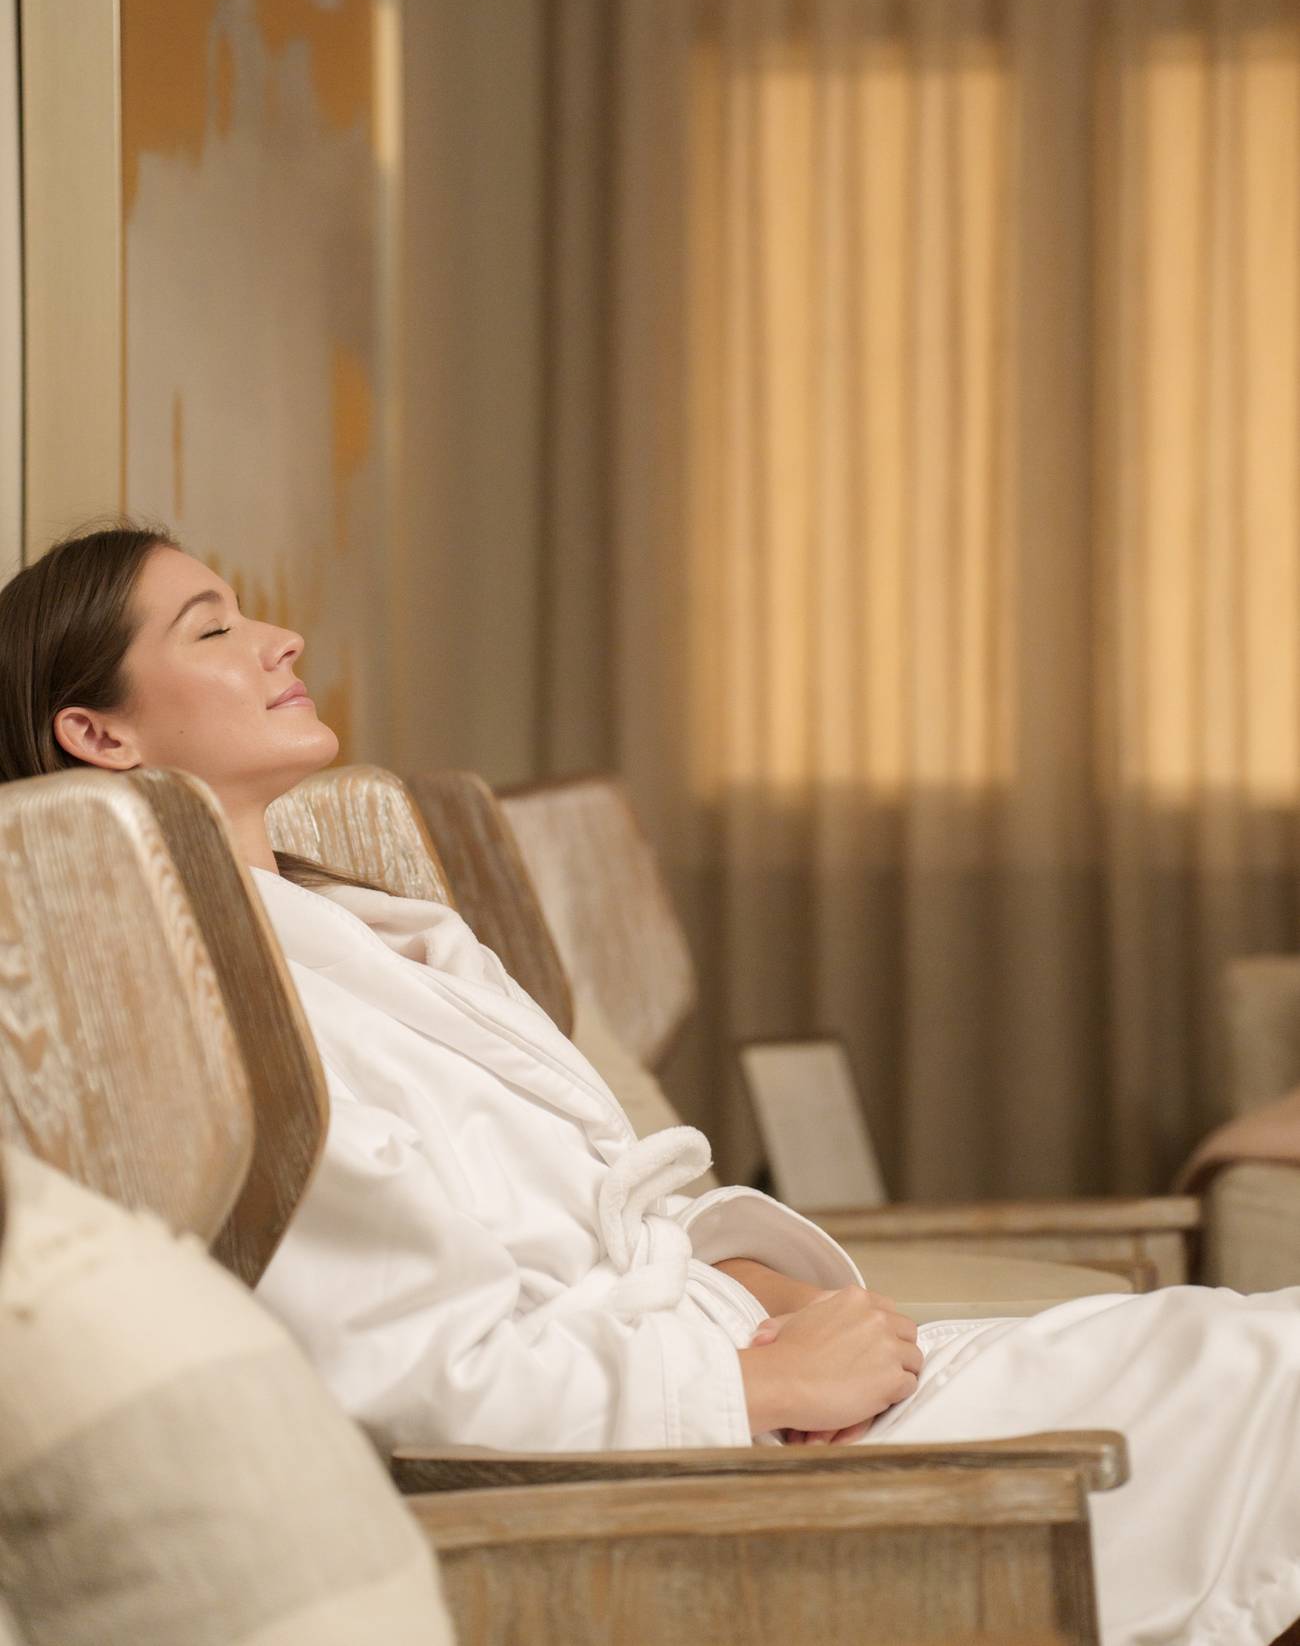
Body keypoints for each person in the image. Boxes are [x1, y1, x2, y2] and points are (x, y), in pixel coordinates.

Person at [1, 523, 1297, 1646]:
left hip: (742, 1379)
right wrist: (747, 1388)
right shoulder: (209, 1012)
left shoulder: (372, 930)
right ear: (96, 728)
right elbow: (409, 1370)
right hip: (688, 1466)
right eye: (214, 625)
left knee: (1261, 1354)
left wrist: (772, 1290)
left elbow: (599, 1203)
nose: (279, 637)